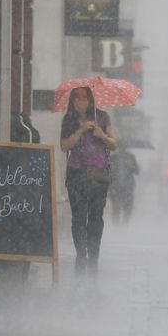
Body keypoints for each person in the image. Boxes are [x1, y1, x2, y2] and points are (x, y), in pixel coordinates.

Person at [60, 87, 117, 275]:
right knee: (78, 219)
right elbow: (64, 146)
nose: (80, 101)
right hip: (76, 174)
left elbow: (113, 144)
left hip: (98, 175)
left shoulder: (102, 117)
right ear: (72, 100)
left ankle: (94, 256)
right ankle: (81, 255)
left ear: (91, 99)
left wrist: (101, 135)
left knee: (95, 218)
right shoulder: (68, 120)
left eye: (84, 97)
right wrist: (80, 130)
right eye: (76, 98)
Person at [108, 148, 139, 224]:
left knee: (128, 209)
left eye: (124, 148)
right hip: (115, 187)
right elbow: (108, 171)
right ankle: (116, 227)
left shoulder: (131, 157)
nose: (123, 150)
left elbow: (137, 171)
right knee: (116, 209)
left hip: (128, 187)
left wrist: (131, 165)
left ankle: (125, 225)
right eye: (121, 148)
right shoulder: (113, 157)